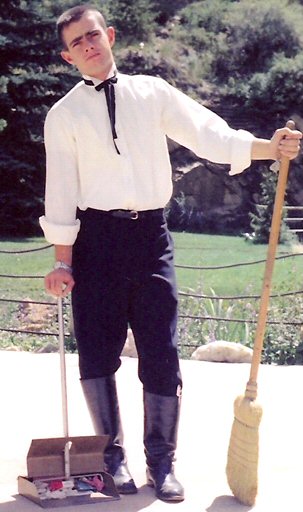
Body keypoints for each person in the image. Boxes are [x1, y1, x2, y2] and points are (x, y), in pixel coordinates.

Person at [39, 4, 301, 503]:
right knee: (97, 353)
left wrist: (271, 147)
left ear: (110, 35)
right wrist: (61, 261)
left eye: (94, 35)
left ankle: (162, 464)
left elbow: (210, 134)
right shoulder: (63, 116)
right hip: (95, 242)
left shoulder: (152, 92)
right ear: (67, 56)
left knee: (160, 352)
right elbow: (60, 193)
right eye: (78, 42)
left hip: (151, 239)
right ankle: (110, 462)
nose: (89, 46)